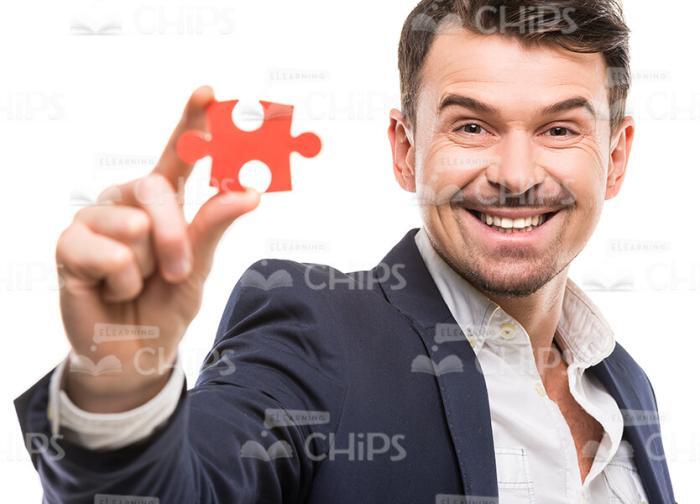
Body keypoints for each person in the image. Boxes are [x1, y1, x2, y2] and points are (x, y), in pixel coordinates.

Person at [15, 0, 677, 502]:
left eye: (560, 128)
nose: (515, 172)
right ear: (405, 147)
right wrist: (120, 382)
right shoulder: (313, 329)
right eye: (471, 126)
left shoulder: (623, 385)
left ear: (615, 159)